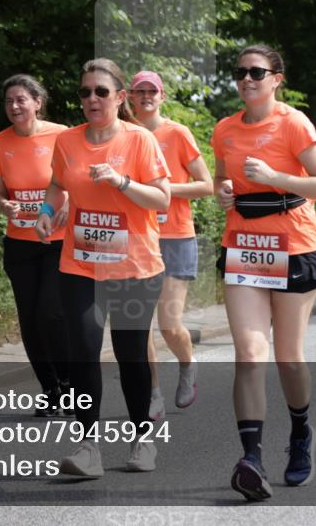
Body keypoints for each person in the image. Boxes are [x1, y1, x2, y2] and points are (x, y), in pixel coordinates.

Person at [211, 45, 316, 500]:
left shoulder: (293, 123)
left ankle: (301, 432)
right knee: (248, 353)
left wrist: (275, 175)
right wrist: (224, 192)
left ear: (276, 78)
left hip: (294, 244)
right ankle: (252, 460)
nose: (247, 79)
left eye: (257, 72)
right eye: (241, 72)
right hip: (245, 244)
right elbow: (221, 180)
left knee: (288, 357)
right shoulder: (224, 129)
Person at [35, 58, 170, 477]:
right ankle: (88, 446)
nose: (91, 99)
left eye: (101, 92)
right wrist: (47, 210)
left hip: (135, 267)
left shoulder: (140, 140)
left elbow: (162, 199)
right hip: (80, 264)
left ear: (120, 97)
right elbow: (58, 182)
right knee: (83, 354)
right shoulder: (68, 141)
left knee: (131, 356)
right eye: (84, 92)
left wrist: (120, 182)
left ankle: (142, 438)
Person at [128, 70, 213, 420]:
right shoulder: (123, 135)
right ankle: (153, 395)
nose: (146, 96)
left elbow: (206, 184)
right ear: (129, 97)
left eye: (153, 90)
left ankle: (188, 362)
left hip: (175, 237)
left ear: (162, 96)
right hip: (134, 239)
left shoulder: (177, 133)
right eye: (139, 91)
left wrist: (161, 190)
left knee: (168, 324)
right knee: (139, 325)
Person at [0, 75, 71, 416]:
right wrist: (3, 205)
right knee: (30, 320)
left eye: (21, 99)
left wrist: (66, 205)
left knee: (51, 312)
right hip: (19, 243)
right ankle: (49, 388)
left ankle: (69, 383)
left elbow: (73, 181)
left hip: (57, 240)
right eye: (9, 101)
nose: (15, 107)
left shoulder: (62, 135)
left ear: (38, 102)